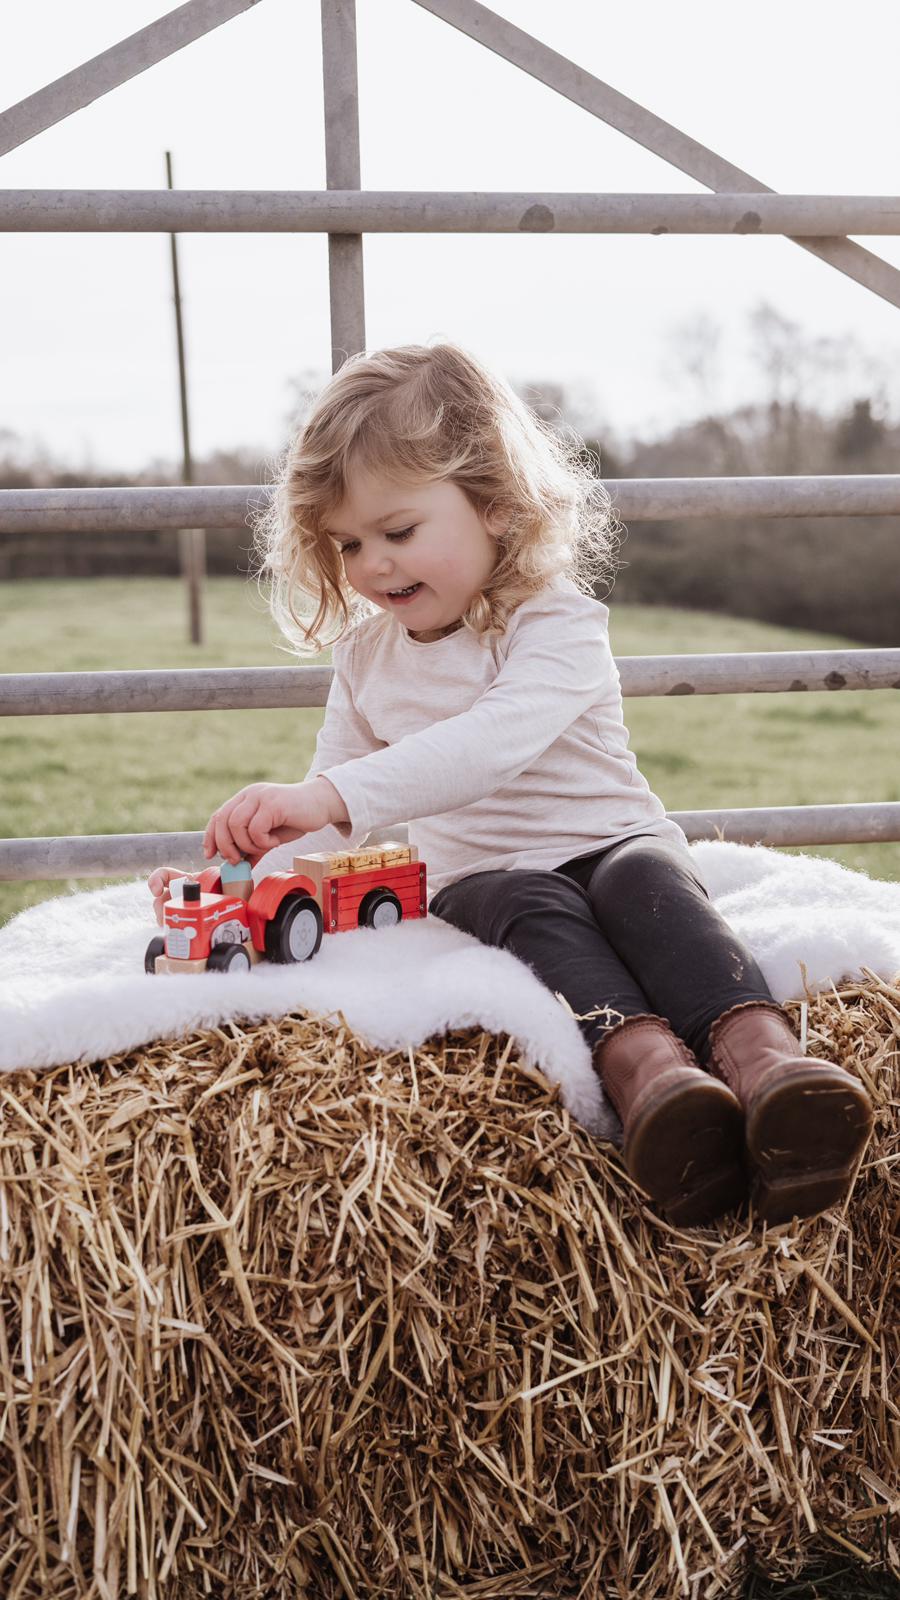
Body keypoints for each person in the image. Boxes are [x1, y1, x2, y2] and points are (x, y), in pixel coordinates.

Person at [148, 341, 873, 1228]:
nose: (373, 564)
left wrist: (330, 797)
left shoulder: (554, 619)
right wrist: (240, 873)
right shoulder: (367, 656)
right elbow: (331, 804)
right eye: (348, 544)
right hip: (488, 875)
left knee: (644, 884)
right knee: (537, 910)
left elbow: (491, 744)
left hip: (613, 835)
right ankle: (655, 1086)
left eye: (399, 531)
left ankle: (769, 1068)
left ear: (492, 504)